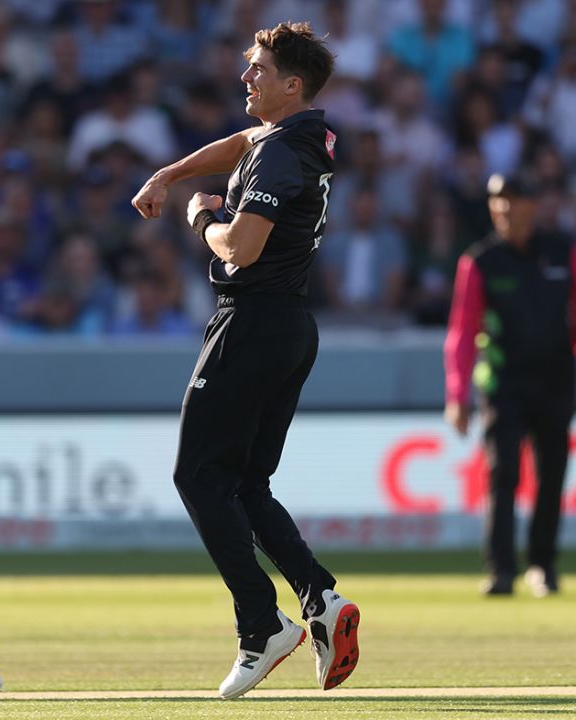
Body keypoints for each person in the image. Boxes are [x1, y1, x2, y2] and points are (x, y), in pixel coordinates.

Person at [129, 22, 359, 700]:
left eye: (257, 69)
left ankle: (263, 626)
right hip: (290, 325)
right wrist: (170, 172)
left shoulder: (282, 153)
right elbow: (243, 141)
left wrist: (200, 215)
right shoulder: (303, 135)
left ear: (293, 83)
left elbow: (242, 247)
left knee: (198, 476)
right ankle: (319, 597)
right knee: (247, 485)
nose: (245, 77)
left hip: (250, 322)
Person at [443, 171, 576, 598]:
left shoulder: (562, 254)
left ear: (533, 206)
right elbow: (462, 333)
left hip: (555, 380)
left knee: (551, 475)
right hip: (504, 383)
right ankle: (500, 570)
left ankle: (542, 566)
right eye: (497, 200)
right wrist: (457, 394)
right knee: (504, 475)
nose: (504, 208)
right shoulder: (479, 262)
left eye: (513, 200)